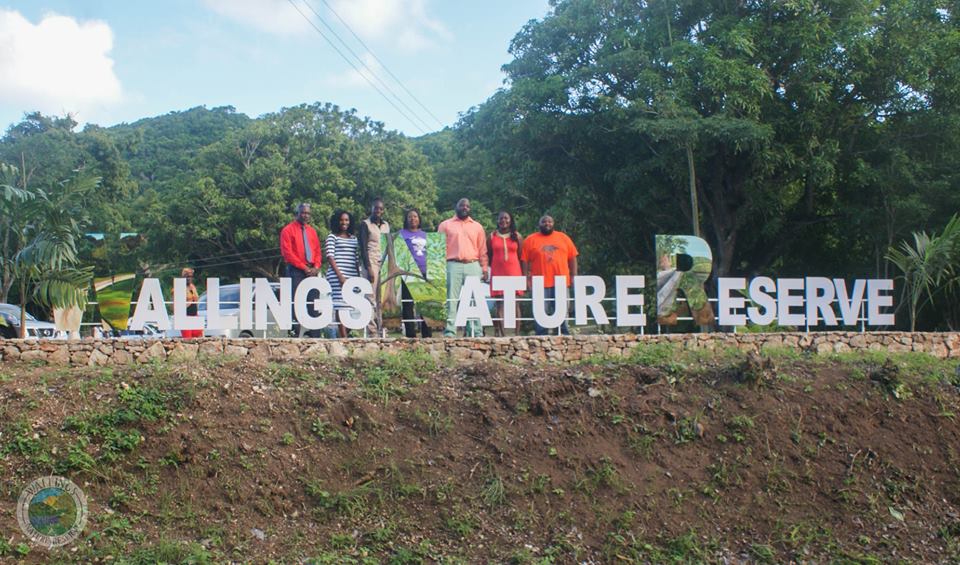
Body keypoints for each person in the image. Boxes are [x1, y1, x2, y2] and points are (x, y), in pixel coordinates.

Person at [437, 198, 489, 337]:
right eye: (462, 205)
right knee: (451, 299)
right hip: (452, 264)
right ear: (456, 207)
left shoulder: (477, 226)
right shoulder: (445, 225)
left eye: (467, 206)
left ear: (469, 208)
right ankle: (450, 331)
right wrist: (439, 269)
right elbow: (439, 249)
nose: (464, 207)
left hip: (473, 264)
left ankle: (475, 331)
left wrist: (484, 268)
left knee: (474, 298)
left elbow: (482, 249)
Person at [521, 215, 578, 335]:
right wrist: (526, 279)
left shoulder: (563, 237)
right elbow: (525, 261)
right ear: (539, 224)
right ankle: (541, 337)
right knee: (541, 313)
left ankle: (563, 334)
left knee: (563, 311)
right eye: (544, 221)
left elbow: (572, 257)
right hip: (539, 283)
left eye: (549, 221)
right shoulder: (530, 239)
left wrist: (574, 275)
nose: (547, 223)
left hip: (561, 281)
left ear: (553, 223)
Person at [280, 203, 323, 337]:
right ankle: (294, 336)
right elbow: (287, 253)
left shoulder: (312, 231)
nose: (305, 215)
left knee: (313, 304)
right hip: (296, 271)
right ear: (297, 213)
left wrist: (316, 267)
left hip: (312, 271)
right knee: (296, 303)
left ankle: (315, 337)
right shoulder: (287, 230)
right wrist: (304, 267)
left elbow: (317, 251)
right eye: (303, 213)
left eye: (308, 213)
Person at [487, 211, 524, 337]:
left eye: (506, 218)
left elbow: (520, 255)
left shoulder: (517, 236)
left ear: (511, 220)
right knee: (499, 303)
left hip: (514, 272)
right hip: (498, 272)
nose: (504, 220)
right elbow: (490, 255)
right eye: (501, 218)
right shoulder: (492, 236)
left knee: (515, 303)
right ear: (497, 220)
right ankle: (502, 334)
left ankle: (516, 334)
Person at [324, 210, 360, 338]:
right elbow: (330, 257)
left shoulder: (354, 238)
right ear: (336, 221)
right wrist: (340, 276)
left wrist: (358, 277)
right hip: (337, 274)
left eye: (346, 220)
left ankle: (347, 332)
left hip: (352, 274)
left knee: (351, 304)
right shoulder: (332, 237)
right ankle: (343, 336)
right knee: (340, 304)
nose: (344, 222)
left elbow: (356, 259)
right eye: (341, 220)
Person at [398, 209, 432, 338]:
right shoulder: (401, 234)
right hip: (408, 272)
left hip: (425, 272)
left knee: (426, 304)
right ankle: (411, 334)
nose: (413, 219)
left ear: (419, 219)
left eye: (415, 216)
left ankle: (427, 334)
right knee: (408, 304)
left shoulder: (426, 235)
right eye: (410, 217)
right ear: (406, 219)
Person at [358, 198, 389, 337]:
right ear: (371, 208)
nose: (378, 211)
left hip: (384, 262)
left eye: (380, 209)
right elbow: (363, 248)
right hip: (370, 261)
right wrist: (368, 267)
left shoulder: (386, 225)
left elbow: (389, 245)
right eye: (376, 208)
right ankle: (372, 330)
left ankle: (383, 327)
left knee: (382, 297)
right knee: (370, 296)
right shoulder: (365, 224)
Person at [177, 267, 203, 338]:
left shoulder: (193, 287)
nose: (189, 278)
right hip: (185, 316)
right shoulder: (178, 288)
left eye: (191, 276)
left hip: (195, 315)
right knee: (188, 338)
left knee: (198, 335)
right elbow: (176, 306)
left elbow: (196, 300)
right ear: (183, 277)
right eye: (187, 276)